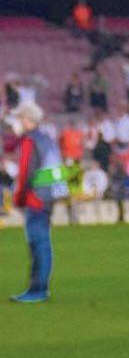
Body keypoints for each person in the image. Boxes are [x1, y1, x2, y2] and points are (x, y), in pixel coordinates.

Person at [8, 101, 68, 302]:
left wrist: (18, 199)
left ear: (26, 119)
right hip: (49, 195)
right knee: (44, 242)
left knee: (37, 243)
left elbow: (26, 172)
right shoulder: (46, 139)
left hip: (35, 197)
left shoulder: (30, 141)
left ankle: (37, 289)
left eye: (19, 118)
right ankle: (40, 287)